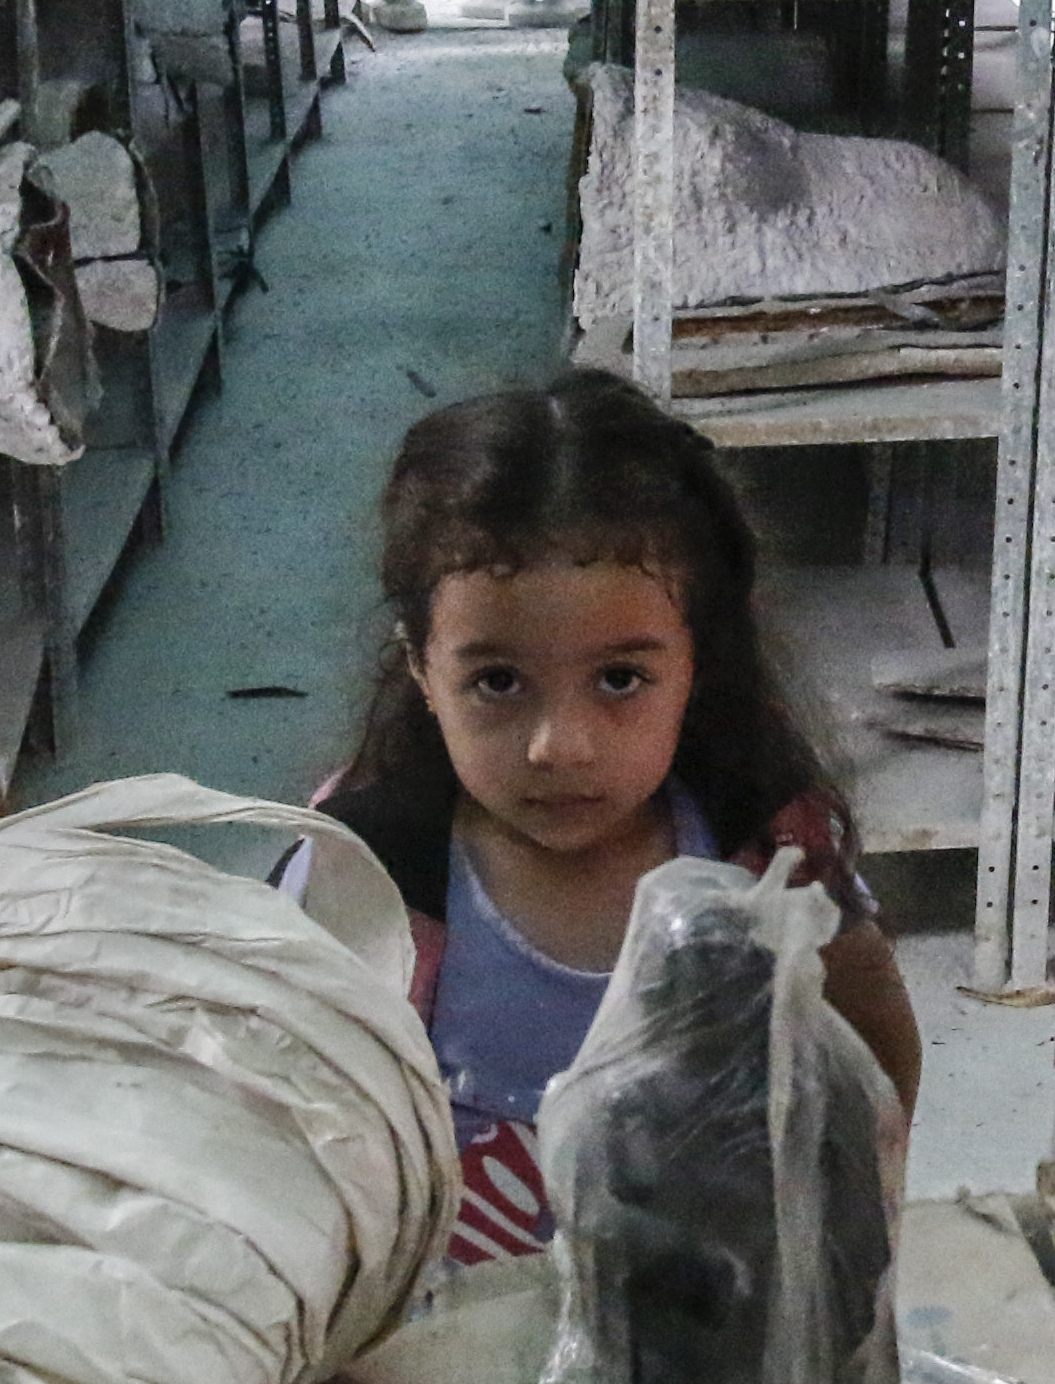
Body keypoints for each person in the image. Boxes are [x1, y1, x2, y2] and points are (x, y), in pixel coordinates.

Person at [317, 369, 921, 1262]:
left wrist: (847, 1230)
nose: (560, 747)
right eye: (496, 682)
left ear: (696, 662)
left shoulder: (765, 847)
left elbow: (874, 1039)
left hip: (707, 1336)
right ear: (420, 668)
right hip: (442, 1353)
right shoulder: (367, 872)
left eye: (620, 680)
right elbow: (299, 1128)